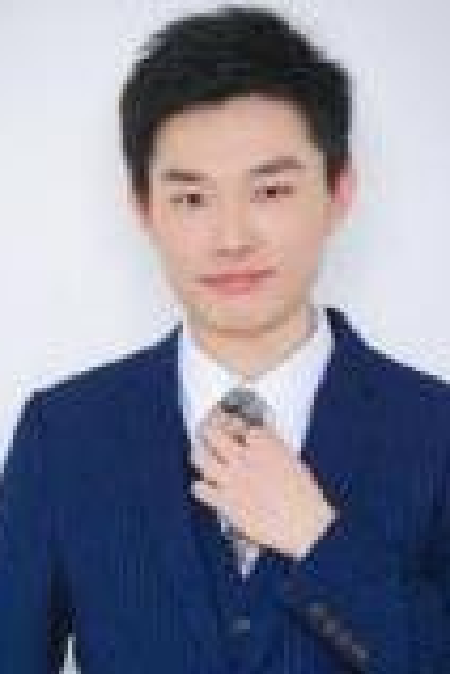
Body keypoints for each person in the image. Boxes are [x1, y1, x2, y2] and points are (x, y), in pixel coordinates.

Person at [1, 4, 450, 673]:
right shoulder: (63, 436)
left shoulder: (436, 430)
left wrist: (321, 542)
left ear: (339, 191)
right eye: (192, 198)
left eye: (270, 191)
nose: (232, 238)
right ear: (143, 208)